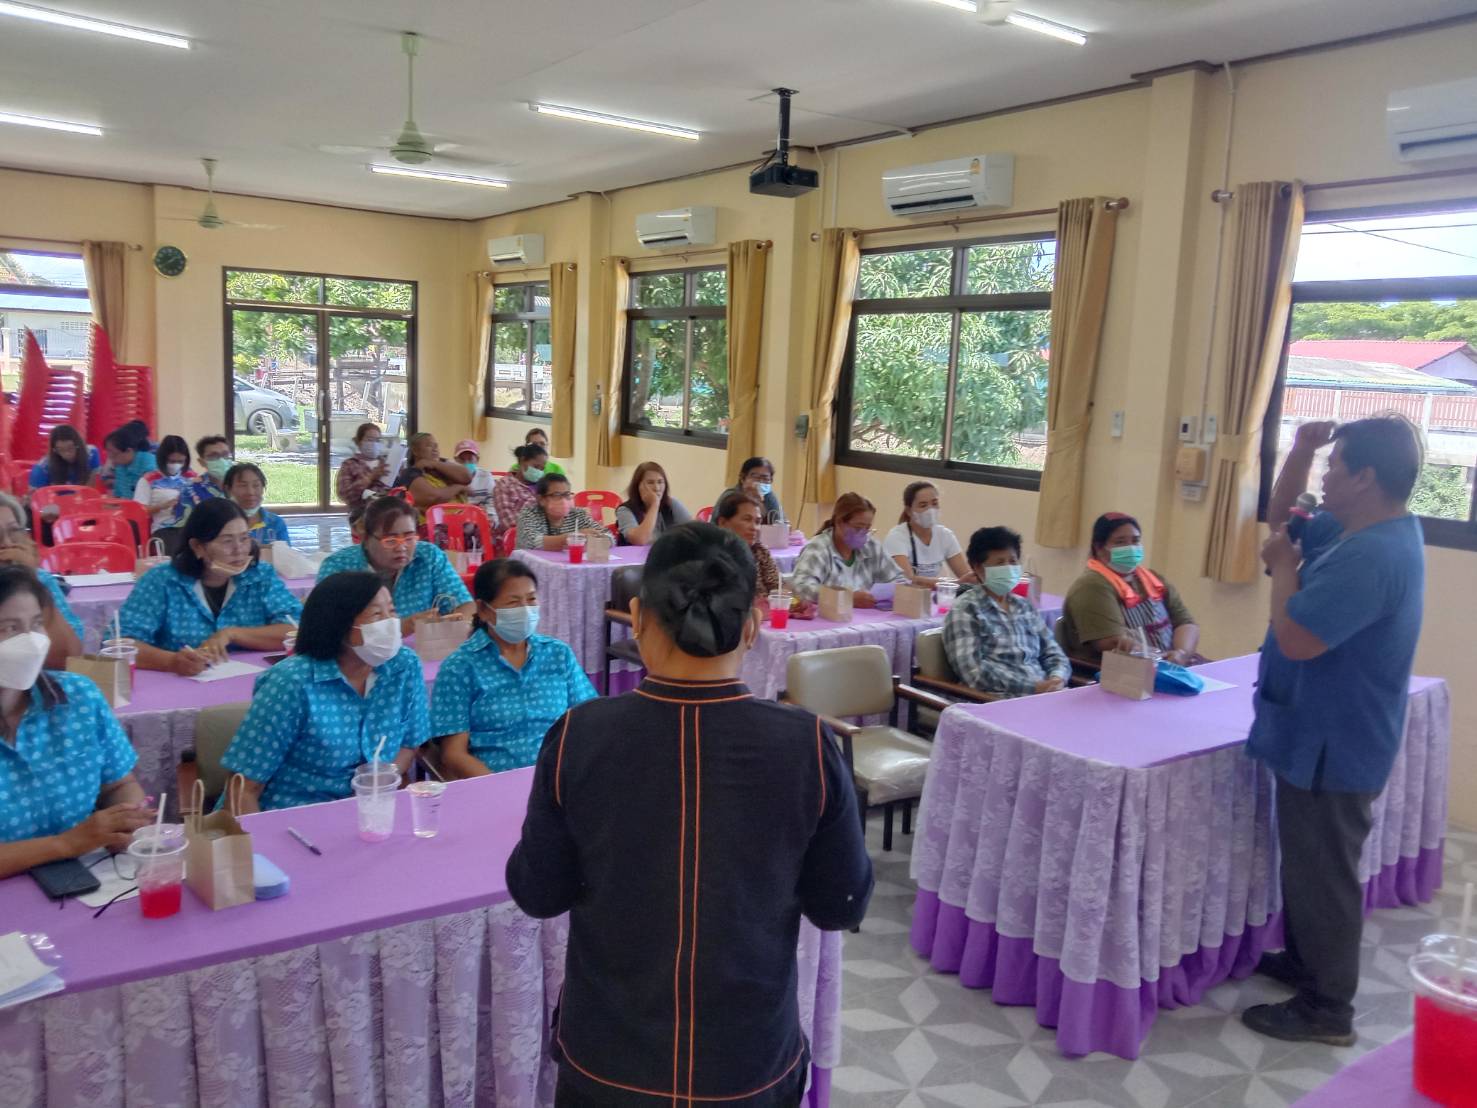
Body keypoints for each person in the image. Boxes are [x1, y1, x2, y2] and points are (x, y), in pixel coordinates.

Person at [506, 523, 873, 1104]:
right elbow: (840, 903)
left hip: (610, 1061)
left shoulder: (581, 735)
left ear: (639, 617)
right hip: (747, 1063)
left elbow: (538, 891)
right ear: (752, 626)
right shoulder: (806, 744)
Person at [1241, 416, 1427, 1046]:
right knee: (1310, 864)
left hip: (1335, 741)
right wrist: (1298, 449)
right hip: (1313, 731)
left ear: (1367, 477)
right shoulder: (1357, 533)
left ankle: (1327, 1008)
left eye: (1335, 466)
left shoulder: (1372, 555)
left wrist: (1283, 569)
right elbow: (1280, 519)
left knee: (1326, 871)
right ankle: (1303, 961)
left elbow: (1297, 639)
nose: (1326, 475)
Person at [220, 571, 427, 813]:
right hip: (294, 816)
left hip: (369, 812)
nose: (390, 623)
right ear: (339, 625)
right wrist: (257, 848)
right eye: (376, 615)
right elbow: (244, 787)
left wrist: (384, 778)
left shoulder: (404, 666)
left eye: (391, 611)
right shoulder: (292, 683)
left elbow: (410, 742)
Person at [0, 565, 154, 879]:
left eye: (36, 624)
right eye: (10, 629)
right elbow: (71, 843)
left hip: (86, 883)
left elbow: (119, 784)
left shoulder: (78, 698)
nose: (30, 642)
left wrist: (124, 823)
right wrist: (66, 844)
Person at [429, 559, 595, 777]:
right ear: (483, 609)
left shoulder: (558, 654)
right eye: (513, 603)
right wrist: (502, 788)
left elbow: (587, 722)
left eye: (531, 599)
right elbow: (454, 754)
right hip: (493, 785)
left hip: (559, 780)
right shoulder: (459, 668)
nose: (526, 610)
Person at [119, 498, 302, 674]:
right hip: (178, 686)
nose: (239, 549)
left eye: (244, 538)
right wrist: (171, 661)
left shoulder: (261, 576)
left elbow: (295, 630)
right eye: (227, 541)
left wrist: (232, 634)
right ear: (197, 546)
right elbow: (122, 644)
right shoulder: (162, 581)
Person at [317, 496, 473, 635]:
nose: (402, 547)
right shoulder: (338, 568)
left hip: (423, 653)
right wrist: (401, 628)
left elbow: (465, 605)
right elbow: (326, 629)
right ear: (366, 539)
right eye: (390, 541)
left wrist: (455, 625)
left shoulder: (429, 556)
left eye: (409, 538)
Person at [943, 526, 1069, 698]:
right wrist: (1033, 687)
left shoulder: (1024, 606)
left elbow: (1053, 652)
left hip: (1044, 695)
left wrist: (1057, 677)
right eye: (1000, 563)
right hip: (996, 701)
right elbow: (973, 672)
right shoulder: (965, 610)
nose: (1009, 568)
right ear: (978, 568)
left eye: (1013, 561)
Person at [1058, 512, 1200, 665]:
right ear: (1099, 548)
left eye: (1135, 541)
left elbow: (1185, 622)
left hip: (1169, 663)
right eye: (1120, 542)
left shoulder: (1153, 579)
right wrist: (1160, 659)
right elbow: (1112, 642)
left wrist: (1182, 653)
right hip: (1125, 671)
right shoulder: (1092, 587)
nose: (1131, 548)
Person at [0, 492, 83, 669]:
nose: (7, 543)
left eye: (13, 532)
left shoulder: (40, 579)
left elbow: (68, 659)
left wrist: (30, 580)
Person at [790, 492, 905, 606]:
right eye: (858, 528)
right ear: (839, 522)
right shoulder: (818, 548)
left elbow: (899, 580)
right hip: (831, 619)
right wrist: (846, 597)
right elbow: (801, 587)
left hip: (868, 619)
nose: (863, 533)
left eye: (867, 528)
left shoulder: (872, 547)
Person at [133, 434, 214, 554]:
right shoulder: (149, 479)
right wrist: (163, 506)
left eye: (180, 461)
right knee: (179, 551)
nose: (176, 465)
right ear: (162, 459)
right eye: (172, 461)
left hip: (191, 527)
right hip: (165, 529)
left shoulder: (192, 477)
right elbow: (137, 511)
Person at [713, 488, 781, 604]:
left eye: (758, 522)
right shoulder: (713, 556)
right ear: (723, 523)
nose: (754, 527)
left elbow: (778, 590)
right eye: (747, 519)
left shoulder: (760, 552)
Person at [396, 431, 471, 528]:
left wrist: (435, 464)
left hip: (464, 520)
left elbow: (466, 477)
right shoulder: (410, 473)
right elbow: (433, 497)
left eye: (436, 445)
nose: (435, 449)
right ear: (415, 451)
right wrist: (459, 487)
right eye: (429, 445)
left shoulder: (442, 465)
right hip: (436, 527)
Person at [514, 473, 601, 551]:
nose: (563, 500)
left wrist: (598, 539)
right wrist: (573, 538)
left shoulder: (578, 513)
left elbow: (607, 536)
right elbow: (532, 542)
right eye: (557, 495)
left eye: (567, 494)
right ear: (541, 499)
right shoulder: (529, 513)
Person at [615, 461, 692, 546]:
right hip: (635, 558)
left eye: (660, 482)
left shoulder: (671, 504)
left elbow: (694, 530)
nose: (657, 488)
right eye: (650, 482)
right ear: (638, 486)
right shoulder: (625, 510)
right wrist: (654, 505)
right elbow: (640, 539)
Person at [493, 443, 549, 547]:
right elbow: (508, 522)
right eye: (536, 466)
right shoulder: (504, 485)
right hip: (512, 543)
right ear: (523, 461)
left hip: (543, 542)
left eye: (542, 469)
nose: (539, 472)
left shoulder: (544, 486)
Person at [223, 462, 291, 546]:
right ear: (228, 490)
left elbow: (285, 556)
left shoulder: (275, 523)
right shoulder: (220, 523)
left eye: (256, 485)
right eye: (242, 486)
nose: (250, 492)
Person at [336, 422, 393, 510]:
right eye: (370, 440)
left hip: (390, 514)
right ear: (359, 442)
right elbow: (345, 495)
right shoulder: (349, 464)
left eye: (377, 440)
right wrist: (370, 477)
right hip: (362, 516)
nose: (374, 444)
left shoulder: (387, 463)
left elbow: (403, 490)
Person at [29, 424, 100, 490]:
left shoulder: (91, 453)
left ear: (78, 444)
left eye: (70, 448)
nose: (67, 454)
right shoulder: (42, 469)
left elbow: (92, 487)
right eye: (61, 450)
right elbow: (35, 498)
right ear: (54, 450)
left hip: (82, 499)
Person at [718, 455, 785, 524]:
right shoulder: (730, 496)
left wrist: (759, 502)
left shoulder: (769, 496)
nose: (760, 482)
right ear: (743, 478)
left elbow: (781, 523)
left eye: (765, 478)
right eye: (755, 477)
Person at [101, 420, 157, 500]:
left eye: (114, 454)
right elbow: (118, 497)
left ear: (128, 451)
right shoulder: (121, 467)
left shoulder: (149, 465)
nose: (110, 459)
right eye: (108, 453)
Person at [452, 438, 498, 515]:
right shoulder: (450, 477)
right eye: (461, 459)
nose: (466, 463)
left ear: (477, 459)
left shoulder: (486, 476)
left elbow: (492, 502)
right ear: (455, 460)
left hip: (482, 517)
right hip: (457, 518)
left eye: (470, 459)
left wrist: (490, 518)